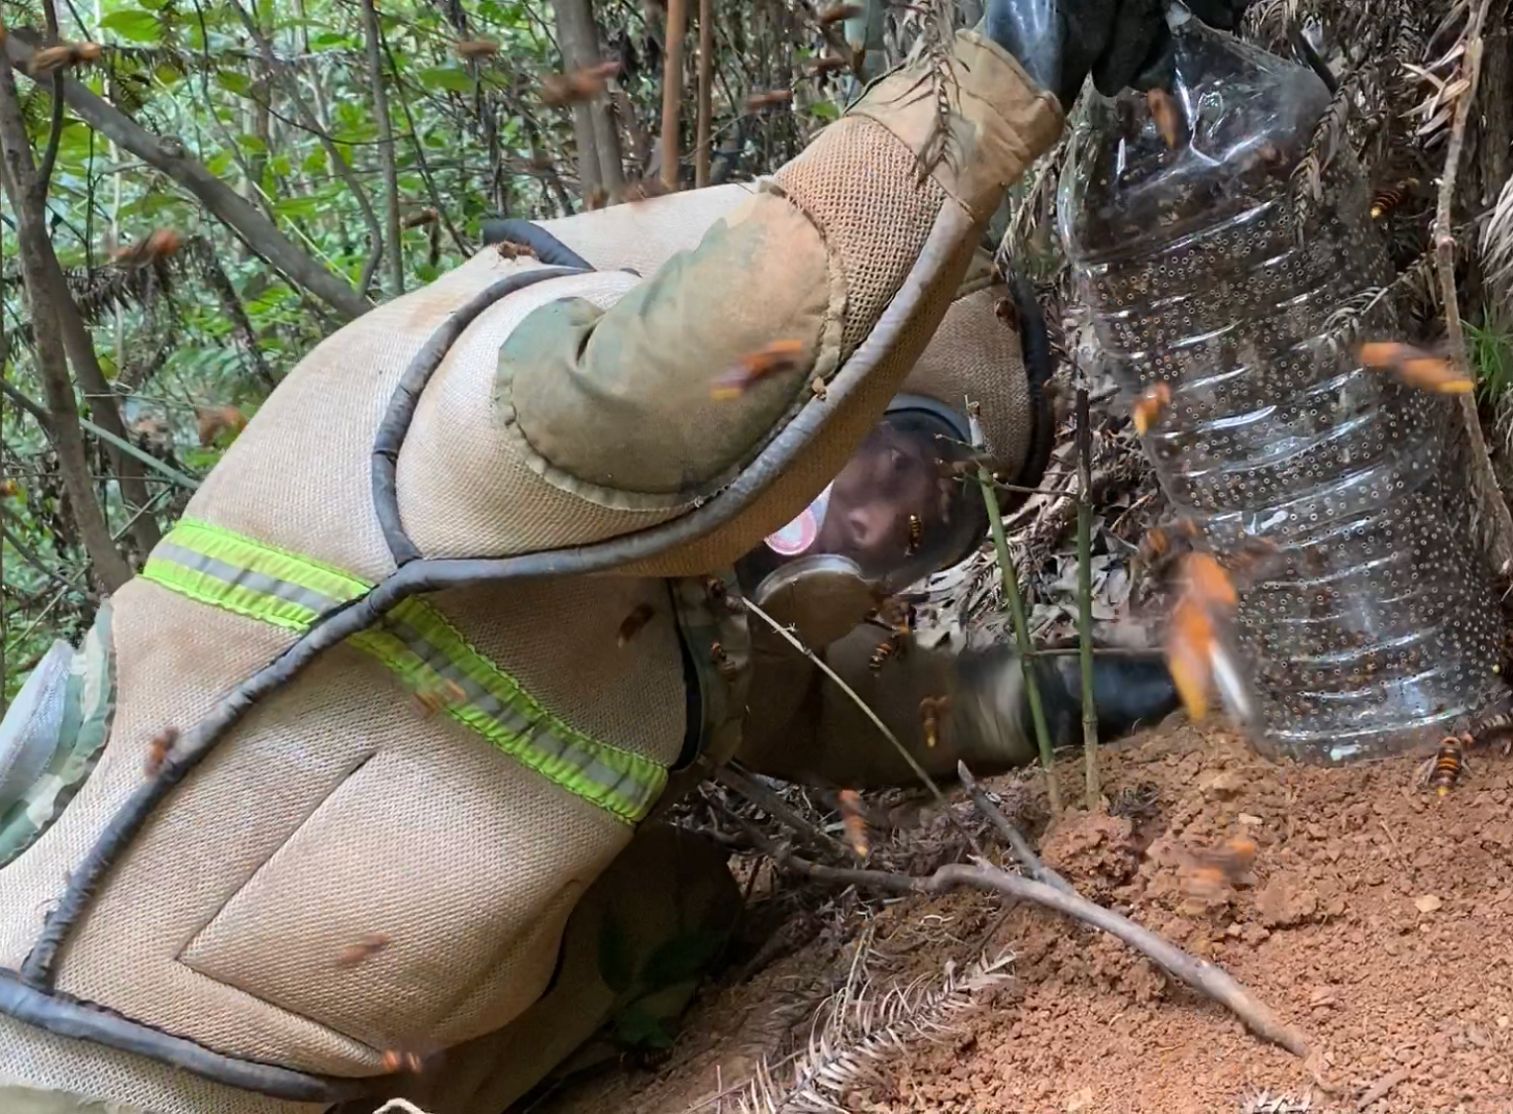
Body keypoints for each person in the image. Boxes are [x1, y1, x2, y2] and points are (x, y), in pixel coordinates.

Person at [0, 0, 1199, 1107]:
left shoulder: (647, 595)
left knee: (673, 903)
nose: (884, 533)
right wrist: (996, 75)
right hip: (53, 1049)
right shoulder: (450, 394)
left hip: (248, 1084)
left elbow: (861, 714)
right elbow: (679, 384)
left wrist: (1113, 685)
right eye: (903, 454)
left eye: (931, 531)